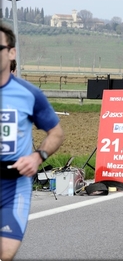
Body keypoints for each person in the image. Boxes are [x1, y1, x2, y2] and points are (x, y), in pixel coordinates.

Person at [0, 23, 64, 261]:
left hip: (13, 185)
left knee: (4, 254)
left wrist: (38, 156)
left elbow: (56, 132)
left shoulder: (29, 94)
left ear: (11, 52)